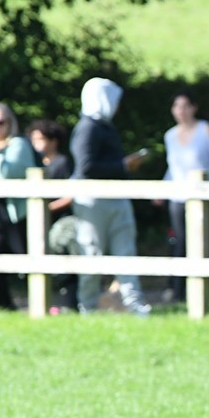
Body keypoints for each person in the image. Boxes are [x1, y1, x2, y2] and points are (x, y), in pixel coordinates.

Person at [70, 77, 151, 316]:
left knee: (126, 253)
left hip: (117, 198)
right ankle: (87, 306)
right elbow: (86, 167)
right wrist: (123, 165)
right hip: (94, 201)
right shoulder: (88, 127)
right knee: (92, 253)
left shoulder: (106, 127)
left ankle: (135, 305)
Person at [162, 89, 209, 299]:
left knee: (206, 243)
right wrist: (162, 189)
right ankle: (178, 292)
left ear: (194, 107)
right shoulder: (170, 136)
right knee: (180, 243)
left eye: (185, 106)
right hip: (178, 199)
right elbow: (173, 169)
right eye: (177, 106)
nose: (181, 111)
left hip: (205, 197)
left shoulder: (206, 130)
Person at [27, 119, 78, 310]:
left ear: (53, 141)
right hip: (42, 223)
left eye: (40, 139)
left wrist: (47, 208)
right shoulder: (36, 164)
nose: (35, 143)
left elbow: (70, 195)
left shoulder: (63, 163)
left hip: (62, 222)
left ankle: (69, 305)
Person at [0, 103, 37, 310]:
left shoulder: (18, 144)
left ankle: (43, 303)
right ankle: (6, 305)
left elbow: (8, 173)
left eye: (1, 122)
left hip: (13, 213)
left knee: (25, 259)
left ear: (10, 123)